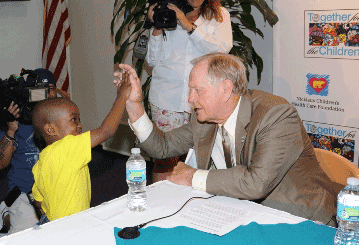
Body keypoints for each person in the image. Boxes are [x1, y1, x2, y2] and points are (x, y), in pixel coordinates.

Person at [120, 53, 337, 225]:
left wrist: (192, 176)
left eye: (197, 90)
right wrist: (134, 105)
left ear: (225, 89)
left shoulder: (276, 115)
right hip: (245, 214)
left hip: (299, 220)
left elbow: (256, 183)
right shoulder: (204, 119)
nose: (190, 98)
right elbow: (163, 147)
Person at [146, 0, 232, 182]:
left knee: (199, 160)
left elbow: (222, 51)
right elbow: (152, 60)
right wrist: (156, 26)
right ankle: (160, 206)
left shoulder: (219, 14)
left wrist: (189, 26)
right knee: (165, 159)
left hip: (203, 100)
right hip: (167, 98)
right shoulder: (167, 10)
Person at [30, 66, 131, 221]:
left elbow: (38, 200)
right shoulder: (68, 147)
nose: (80, 125)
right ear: (51, 129)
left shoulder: (42, 159)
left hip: (51, 222)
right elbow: (106, 131)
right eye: (73, 120)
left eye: (79, 119)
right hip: (72, 225)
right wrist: (122, 96)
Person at [0, 69, 62, 235]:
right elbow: (1, 163)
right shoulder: (15, 116)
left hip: (53, 188)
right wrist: (11, 129)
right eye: (42, 89)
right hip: (22, 191)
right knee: (28, 239)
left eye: (52, 89)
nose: (48, 94)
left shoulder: (61, 116)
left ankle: (7, 216)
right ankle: (6, 212)